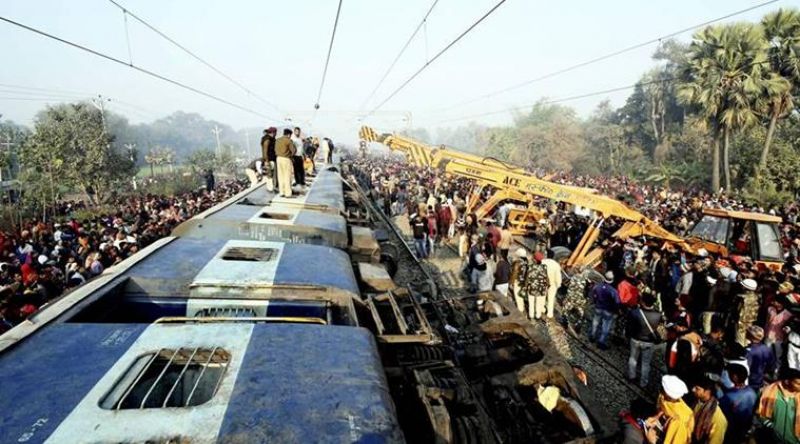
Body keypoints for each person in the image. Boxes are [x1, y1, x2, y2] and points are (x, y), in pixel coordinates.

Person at [755, 368, 800, 444]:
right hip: (772, 439)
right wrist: (772, 428)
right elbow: (760, 413)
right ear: (787, 381)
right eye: (798, 383)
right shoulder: (768, 392)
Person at [627, 293, 663, 388]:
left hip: (635, 339)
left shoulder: (634, 312)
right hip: (649, 342)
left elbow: (629, 326)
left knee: (633, 358)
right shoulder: (658, 315)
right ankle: (643, 382)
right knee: (646, 363)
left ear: (643, 302)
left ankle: (631, 377)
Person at [646, 375, 694, 444]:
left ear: (669, 395)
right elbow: (663, 409)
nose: (661, 393)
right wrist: (656, 417)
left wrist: (651, 441)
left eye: (663, 390)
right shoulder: (665, 399)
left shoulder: (679, 421)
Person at [719, 363, 756, 444]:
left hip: (733, 431)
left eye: (729, 374)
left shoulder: (728, 397)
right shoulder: (752, 392)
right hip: (746, 428)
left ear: (734, 377)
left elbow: (723, 413)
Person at [691, 377, 728, 444]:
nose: (693, 390)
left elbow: (715, 441)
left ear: (707, 392)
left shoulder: (718, 418)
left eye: (697, 388)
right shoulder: (696, 403)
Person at [589, 271, 620, 349]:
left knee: (595, 322)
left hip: (598, 307)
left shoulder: (597, 286)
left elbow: (592, 295)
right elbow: (617, 303)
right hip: (608, 311)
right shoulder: (613, 291)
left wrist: (594, 302)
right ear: (612, 280)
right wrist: (616, 311)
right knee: (605, 326)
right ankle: (601, 341)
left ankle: (592, 336)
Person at [746, 325, 776, 392]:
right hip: (760, 379)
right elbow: (772, 366)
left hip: (750, 381)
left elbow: (746, 368)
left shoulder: (749, 351)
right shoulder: (767, 349)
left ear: (751, 336)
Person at [736, 279, 759, 347]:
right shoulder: (756, 297)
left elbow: (740, 311)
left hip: (741, 322)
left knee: (740, 340)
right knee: (747, 340)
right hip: (750, 322)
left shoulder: (743, 298)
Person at [527, 252, 550, 320]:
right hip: (541, 289)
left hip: (532, 288)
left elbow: (527, 278)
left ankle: (531, 316)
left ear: (534, 259)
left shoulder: (531, 267)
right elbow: (546, 278)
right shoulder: (544, 267)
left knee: (531, 302)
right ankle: (538, 316)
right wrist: (547, 286)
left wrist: (526, 286)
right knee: (539, 302)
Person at [275, 128, 295, 198]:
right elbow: (293, 151)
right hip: (286, 159)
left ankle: (281, 192)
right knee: (287, 176)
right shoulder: (289, 141)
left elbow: (275, 149)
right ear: (289, 134)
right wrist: (290, 155)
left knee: (280, 176)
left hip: (278, 159)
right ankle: (288, 193)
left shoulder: (277, 140)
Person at [541, 252, 562, 319]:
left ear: (546, 255)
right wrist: (558, 284)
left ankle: (542, 309)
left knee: (543, 296)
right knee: (551, 298)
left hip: (543, 282)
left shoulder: (543, 262)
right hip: (553, 284)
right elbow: (558, 275)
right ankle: (550, 313)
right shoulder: (556, 264)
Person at [510, 248, 529, 314]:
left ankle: (520, 310)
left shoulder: (517, 263)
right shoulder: (526, 261)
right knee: (522, 294)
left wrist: (511, 282)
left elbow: (515, 273)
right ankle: (522, 306)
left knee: (518, 296)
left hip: (518, 281)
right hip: (524, 281)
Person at [262, 127, 278, 191]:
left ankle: (273, 187)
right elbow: (265, 150)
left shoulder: (272, 139)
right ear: (273, 132)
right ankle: (271, 188)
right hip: (270, 159)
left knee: (273, 174)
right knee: (270, 174)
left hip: (272, 159)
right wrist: (266, 160)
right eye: (275, 132)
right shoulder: (267, 140)